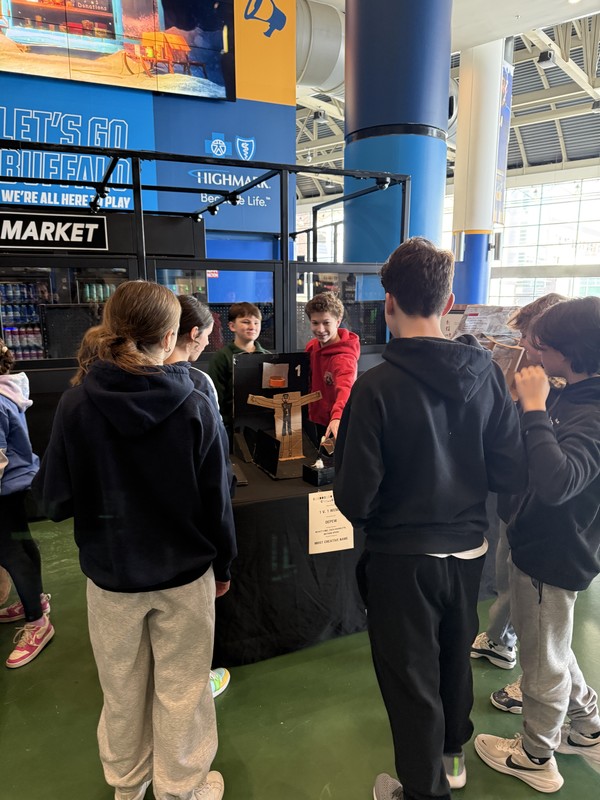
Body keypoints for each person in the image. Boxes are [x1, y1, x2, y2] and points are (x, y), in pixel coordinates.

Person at [333, 237, 527, 800]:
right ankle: (451, 754)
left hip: (401, 558)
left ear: (388, 302)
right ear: (447, 304)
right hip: (468, 552)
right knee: (453, 654)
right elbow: (510, 471)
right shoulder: (488, 376)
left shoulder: (374, 387)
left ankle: (422, 791)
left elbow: (354, 498)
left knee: (409, 676)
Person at [33, 280, 236, 800]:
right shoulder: (195, 403)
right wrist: (225, 566)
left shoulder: (76, 403)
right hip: (184, 575)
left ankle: (128, 786)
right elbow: (217, 500)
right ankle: (181, 789)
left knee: (121, 689)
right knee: (183, 688)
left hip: (111, 577)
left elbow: (53, 500)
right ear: (170, 338)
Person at [475, 296, 600, 794]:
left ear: (571, 352)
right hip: (547, 545)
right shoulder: (577, 393)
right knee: (552, 644)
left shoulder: (591, 412)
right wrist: (533, 404)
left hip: (553, 553)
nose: (533, 353)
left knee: (542, 661)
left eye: (543, 347)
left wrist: (532, 405)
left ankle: (535, 756)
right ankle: (588, 725)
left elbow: (557, 482)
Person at [471, 293, 567, 674]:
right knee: (509, 577)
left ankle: (554, 694)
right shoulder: (528, 378)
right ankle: (500, 638)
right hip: (515, 504)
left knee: (541, 622)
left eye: (529, 336)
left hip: (539, 519)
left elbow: (554, 471)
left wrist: (531, 405)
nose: (522, 343)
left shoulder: (558, 394)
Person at [165, 293, 235, 700]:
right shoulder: (197, 387)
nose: (209, 343)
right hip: (187, 550)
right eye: (208, 335)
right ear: (192, 333)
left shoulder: (87, 392)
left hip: (117, 564)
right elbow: (216, 478)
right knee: (187, 655)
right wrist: (223, 562)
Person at [0, 339, 52, 668]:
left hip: (4, 486)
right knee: (20, 541)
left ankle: (37, 622)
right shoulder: (7, 389)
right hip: (16, 482)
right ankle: (36, 601)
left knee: (9, 551)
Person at [207, 301, 269, 439]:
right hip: (232, 429)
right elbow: (217, 398)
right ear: (232, 326)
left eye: (256, 323)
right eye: (246, 322)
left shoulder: (268, 357)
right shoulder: (222, 357)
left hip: (264, 426)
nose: (252, 327)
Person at [304, 291, 360, 443]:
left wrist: (337, 417)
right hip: (312, 417)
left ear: (338, 321)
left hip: (333, 424)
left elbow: (346, 389)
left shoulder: (344, 358)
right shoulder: (312, 346)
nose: (320, 329)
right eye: (315, 323)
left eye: (326, 322)